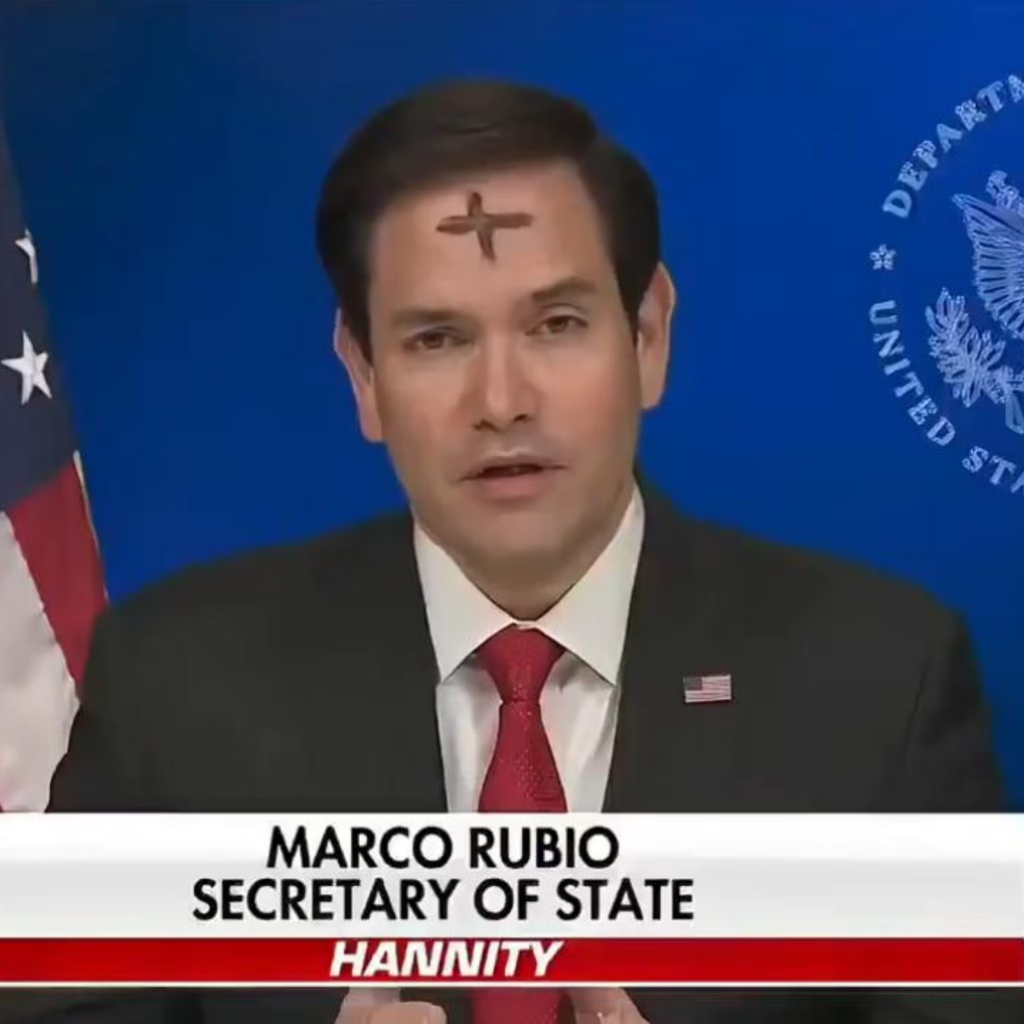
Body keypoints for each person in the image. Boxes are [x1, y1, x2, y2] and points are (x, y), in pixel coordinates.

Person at [9, 80, 1020, 1024]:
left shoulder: (879, 684)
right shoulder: (175, 684)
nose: (501, 402)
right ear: (362, 374)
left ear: (648, 335)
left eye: (557, 324)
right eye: (436, 340)